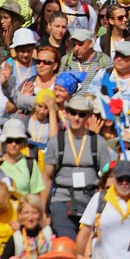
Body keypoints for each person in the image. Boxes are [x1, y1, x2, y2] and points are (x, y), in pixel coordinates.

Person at [44, 95, 113, 238]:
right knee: (67, 240)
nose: (76, 117)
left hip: (90, 199)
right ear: (66, 113)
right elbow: (46, 176)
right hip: (62, 198)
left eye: (82, 114)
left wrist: (103, 204)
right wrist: (42, 209)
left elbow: (107, 177)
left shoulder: (98, 142)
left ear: (88, 116)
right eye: (73, 113)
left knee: (87, 242)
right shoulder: (55, 142)